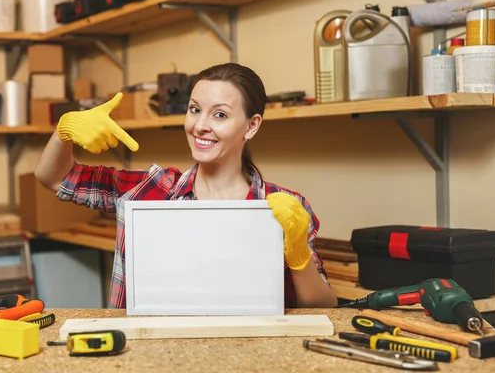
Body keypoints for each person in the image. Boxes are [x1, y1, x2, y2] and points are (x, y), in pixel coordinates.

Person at [35, 62, 338, 309]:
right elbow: (56, 178)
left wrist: (298, 256)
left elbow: (323, 305)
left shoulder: (284, 206)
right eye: (195, 109)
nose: (200, 125)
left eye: (219, 114)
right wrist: (64, 131)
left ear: (251, 125)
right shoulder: (150, 191)